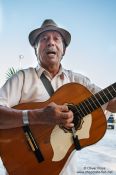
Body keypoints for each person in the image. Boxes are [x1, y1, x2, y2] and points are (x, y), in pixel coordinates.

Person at [0, 19, 116, 175]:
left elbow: (111, 103)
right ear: (35, 49)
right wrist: (37, 116)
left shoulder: (79, 82)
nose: (51, 43)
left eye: (56, 39)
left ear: (64, 50)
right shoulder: (22, 78)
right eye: (44, 39)